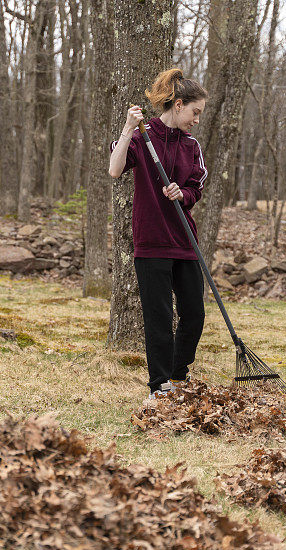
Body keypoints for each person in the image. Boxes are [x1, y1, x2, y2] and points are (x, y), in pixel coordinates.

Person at [108, 68, 208, 399]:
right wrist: (126, 128)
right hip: (151, 242)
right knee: (159, 320)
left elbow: (196, 187)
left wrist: (184, 194)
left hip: (184, 241)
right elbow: (114, 168)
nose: (196, 120)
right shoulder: (142, 135)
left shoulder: (192, 146)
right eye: (195, 112)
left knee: (194, 313)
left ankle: (179, 376)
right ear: (178, 105)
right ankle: (160, 386)